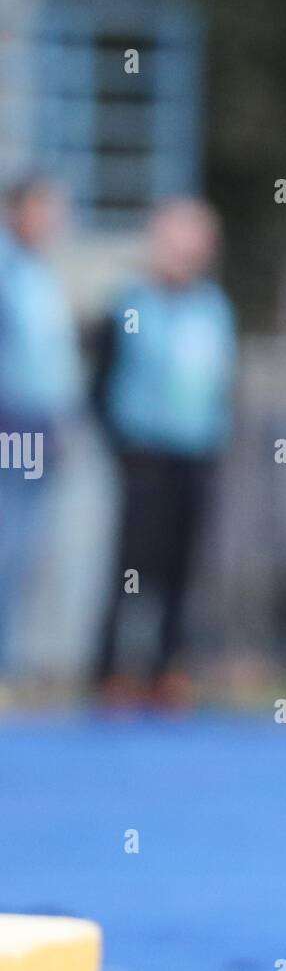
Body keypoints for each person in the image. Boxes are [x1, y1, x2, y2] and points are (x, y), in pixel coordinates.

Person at [90, 197, 236, 707]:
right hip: (143, 455)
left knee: (182, 567)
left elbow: (221, 384)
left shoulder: (213, 308)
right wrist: (120, 446)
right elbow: (101, 383)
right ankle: (110, 670)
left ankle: (167, 668)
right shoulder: (129, 304)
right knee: (131, 567)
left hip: (195, 455)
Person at [0, 175, 82, 678]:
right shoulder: (9, 271)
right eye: (45, 209)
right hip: (14, 422)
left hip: (42, 425)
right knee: (11, 540)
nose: (55, 221)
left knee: (25, 546)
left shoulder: (38, 272)